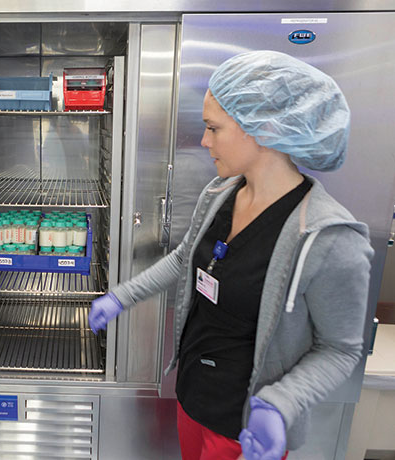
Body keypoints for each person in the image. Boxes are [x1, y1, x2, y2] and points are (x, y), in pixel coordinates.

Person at [88, 50, 373, 460]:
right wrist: (122, 296)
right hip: (192, 399)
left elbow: (340, 349)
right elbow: (186, 257)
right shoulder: (220, 193)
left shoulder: (329, 239)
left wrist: (281, 404)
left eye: (213, 128)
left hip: (246, 429)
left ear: (265, 129)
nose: (204, 141)